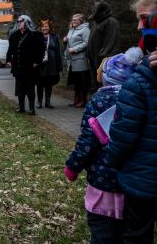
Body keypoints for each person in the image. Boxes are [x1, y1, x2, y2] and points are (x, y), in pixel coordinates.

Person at [64, 47, 143, 244]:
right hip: (134, 184)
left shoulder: (99, 100)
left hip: (103, 184)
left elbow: (87, 141)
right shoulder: (142, 99)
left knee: (102, 233)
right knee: (128, 233)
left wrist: (72, 167)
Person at [101, 0, 157, 243]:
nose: (138, 27)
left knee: (136, 235)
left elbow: (123, 134)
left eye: (144, 19)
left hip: (142, 183)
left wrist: (111, 161)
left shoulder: (141, 79)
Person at [6, 15, 45, 115]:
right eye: (18, 22)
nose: (19, 23)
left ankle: (32, 108)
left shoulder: (34, 35)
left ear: (26, 22)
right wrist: (9, 59)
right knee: (20, 88)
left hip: (29, 67)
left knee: (30, 89)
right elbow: (10, 49)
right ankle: (21, 107)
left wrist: (37, 61)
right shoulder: (14, 35)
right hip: (18, 66)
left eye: (21, 21)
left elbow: (41, 50)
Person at [87, 1, 121, 89]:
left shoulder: (111, 22)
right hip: (94, 59)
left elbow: (112, 42)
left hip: (104, 61)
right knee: (97, 84)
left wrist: (104, 56)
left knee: (104, 86)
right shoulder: (96, 23)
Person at [64, 14, 91, 107]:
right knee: (76, 81)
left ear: (81, 21)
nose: (73, 21)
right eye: (72, 20)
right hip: (72, 60)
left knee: (82, 81)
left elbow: (87, 43)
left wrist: (75, 49)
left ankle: (83, 100)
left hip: (81, 60)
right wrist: (65, 41)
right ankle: (76, 99)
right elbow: (69, 43)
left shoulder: (85, 29)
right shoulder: (71, 30)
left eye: (76, 20)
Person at [36, 18, 62, 109]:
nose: (44, 28)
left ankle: (48, 102)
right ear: (40, 28)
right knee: (39, 84)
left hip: (51, 64)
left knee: (49, 84)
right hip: (40, 65)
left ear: (49, 28)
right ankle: (39, 102)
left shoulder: (54, 37)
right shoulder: (37, 37)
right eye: (43, 27)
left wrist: (59, 65)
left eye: (46, 26)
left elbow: (58, 51)